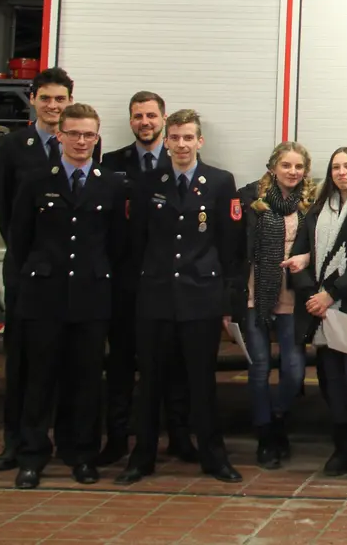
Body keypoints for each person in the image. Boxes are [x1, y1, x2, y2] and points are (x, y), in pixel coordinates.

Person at [3, 103, 126, 489]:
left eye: (89, 134)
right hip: (44, 297)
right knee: (39, 380)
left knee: (86, 381)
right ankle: (32, 455)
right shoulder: (38, 179)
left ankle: (81, 454)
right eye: (73, 133)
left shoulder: (111, 183)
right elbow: (19, 242)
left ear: (98, 137)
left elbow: (118, 248)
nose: (81, 141)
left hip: (91, 298)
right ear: (60, 136)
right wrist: (20, 293)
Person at [117, 109, 242, 485]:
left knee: (201, 382)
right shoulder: (146, 182)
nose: (182, 144)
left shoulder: (220, 182)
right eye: (175, 137)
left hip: (200, 297)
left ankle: (213, 457)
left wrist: (225, 304)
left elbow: (230, 247)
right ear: (166, 141)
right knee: (150, 381)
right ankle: (142, 459)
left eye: (189, 137)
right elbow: (134, 241)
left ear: (199, 142)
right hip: (155, 296)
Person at [95, 91, 193, 468]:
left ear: (164, 119)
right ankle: (118, 439)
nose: (144, 122)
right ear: (130, 120)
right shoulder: (110, 164)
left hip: (168, 284)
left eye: (151, 115)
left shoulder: (181, 164)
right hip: (124, 284)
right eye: (137, 116)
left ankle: (179, 438)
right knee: (120, 365)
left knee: (172, 366)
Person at [0, 67, 74, 473]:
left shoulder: (79, 143)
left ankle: (59, 438)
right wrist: (28, 260)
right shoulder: (11, 146)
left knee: (61, 360)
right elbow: (4, 210)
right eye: (46, 98)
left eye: (60, 99)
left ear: (69, 101)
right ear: (33, 99)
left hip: (68, 275)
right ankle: (15, 443)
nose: (53, 106)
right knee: (21, 360)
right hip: (26, 270)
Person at [289, 147, 347, 480]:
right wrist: (311, 295)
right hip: (320, 313)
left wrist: (332, 294)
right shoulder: (315, 212)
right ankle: (342, 448)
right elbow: (298, 256)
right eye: (335, 167)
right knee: (331, 383)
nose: (342, 172)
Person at [238, 142, 317, 470]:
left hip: (293, 295)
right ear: (273, 168)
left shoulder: (311, 204)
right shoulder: (249, 200)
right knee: (258, 368)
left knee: (294, 368)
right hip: (256, 293)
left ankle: (279, 417)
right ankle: (265, 433)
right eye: (286, 165)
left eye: (299, 167)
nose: (293, 172)